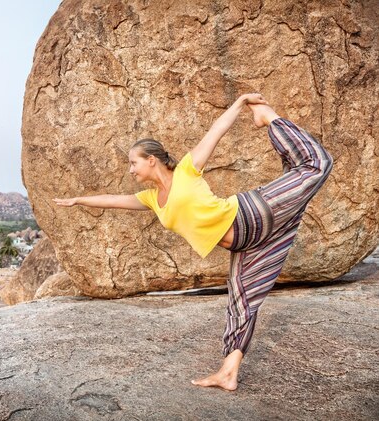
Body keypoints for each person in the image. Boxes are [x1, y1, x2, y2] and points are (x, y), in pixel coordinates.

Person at [53, 93, 333, 391]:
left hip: (251, 215)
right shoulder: (151, 199)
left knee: (315, 165)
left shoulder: (187, 169)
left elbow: (216, 130)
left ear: (151, 160)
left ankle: (269, 117)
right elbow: (113, 200)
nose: (130, 169)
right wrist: (77, 200)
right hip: (248, 246)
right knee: (241, 305)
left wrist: (240, 104)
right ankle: (228, 373)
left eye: (133, 163)